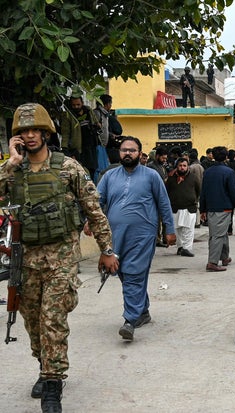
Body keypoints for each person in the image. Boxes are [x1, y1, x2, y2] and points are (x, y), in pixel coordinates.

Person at [0, 103, 119, 412]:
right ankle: (43, 365)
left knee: (53, 318)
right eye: (22, 132)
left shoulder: (68, 167)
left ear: (45, 132)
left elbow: (94, 209)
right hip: (25, 259)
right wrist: (10, 162)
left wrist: (106, 250)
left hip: (61, 257)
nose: (29, 136)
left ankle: (53, 382)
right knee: (33, 322)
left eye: (34, 130)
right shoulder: (13, 171)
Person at [97, 136, 176, 342]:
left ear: (140, 154)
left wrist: (169, 229)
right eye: (124, 150)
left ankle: (130, 320)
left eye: (132, 150)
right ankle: (143, 311)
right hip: (116, 236)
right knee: (123, 272)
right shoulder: (109, 176)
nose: (127, 153)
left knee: (133, 273)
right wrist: (90, 222)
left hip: (143, 235)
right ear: (119, 153)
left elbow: (164, 203)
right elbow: (97, 202)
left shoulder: (151, 176)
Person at [200, 146, 235, 271]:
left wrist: (202, 209)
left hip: (211, 207)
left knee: (220, 233)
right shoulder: (228, 172)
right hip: (224, 207)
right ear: (226, 157)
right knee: (218, 235)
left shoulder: (207, 172)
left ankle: (224, 257)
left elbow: (203, 192)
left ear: (212, 155)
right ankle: (212, 262)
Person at [60, 90, 101, 180]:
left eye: (78, 104)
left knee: (92, 169)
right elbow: (65, 133)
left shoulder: (88, 110)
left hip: (91, 146)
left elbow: (96, 123)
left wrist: (96, 127)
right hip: (78, 148)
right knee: (81, 171)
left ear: (82, 103)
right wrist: (65, 148)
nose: (76, 107)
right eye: (74, 105)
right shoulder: (68, 115)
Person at [165, 157, 201, 257]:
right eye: (180, 166)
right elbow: (166, 192)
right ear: (177, 166)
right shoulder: (171, 178)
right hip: (175, 208)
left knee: (188, 229)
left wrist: (194, 199)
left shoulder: (193, 177)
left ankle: (187, 248)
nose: (182, 168)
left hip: (189, 208)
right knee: (177, 229)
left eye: (184, 166)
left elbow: (198, 190)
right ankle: (180, 247)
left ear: (187, 166)